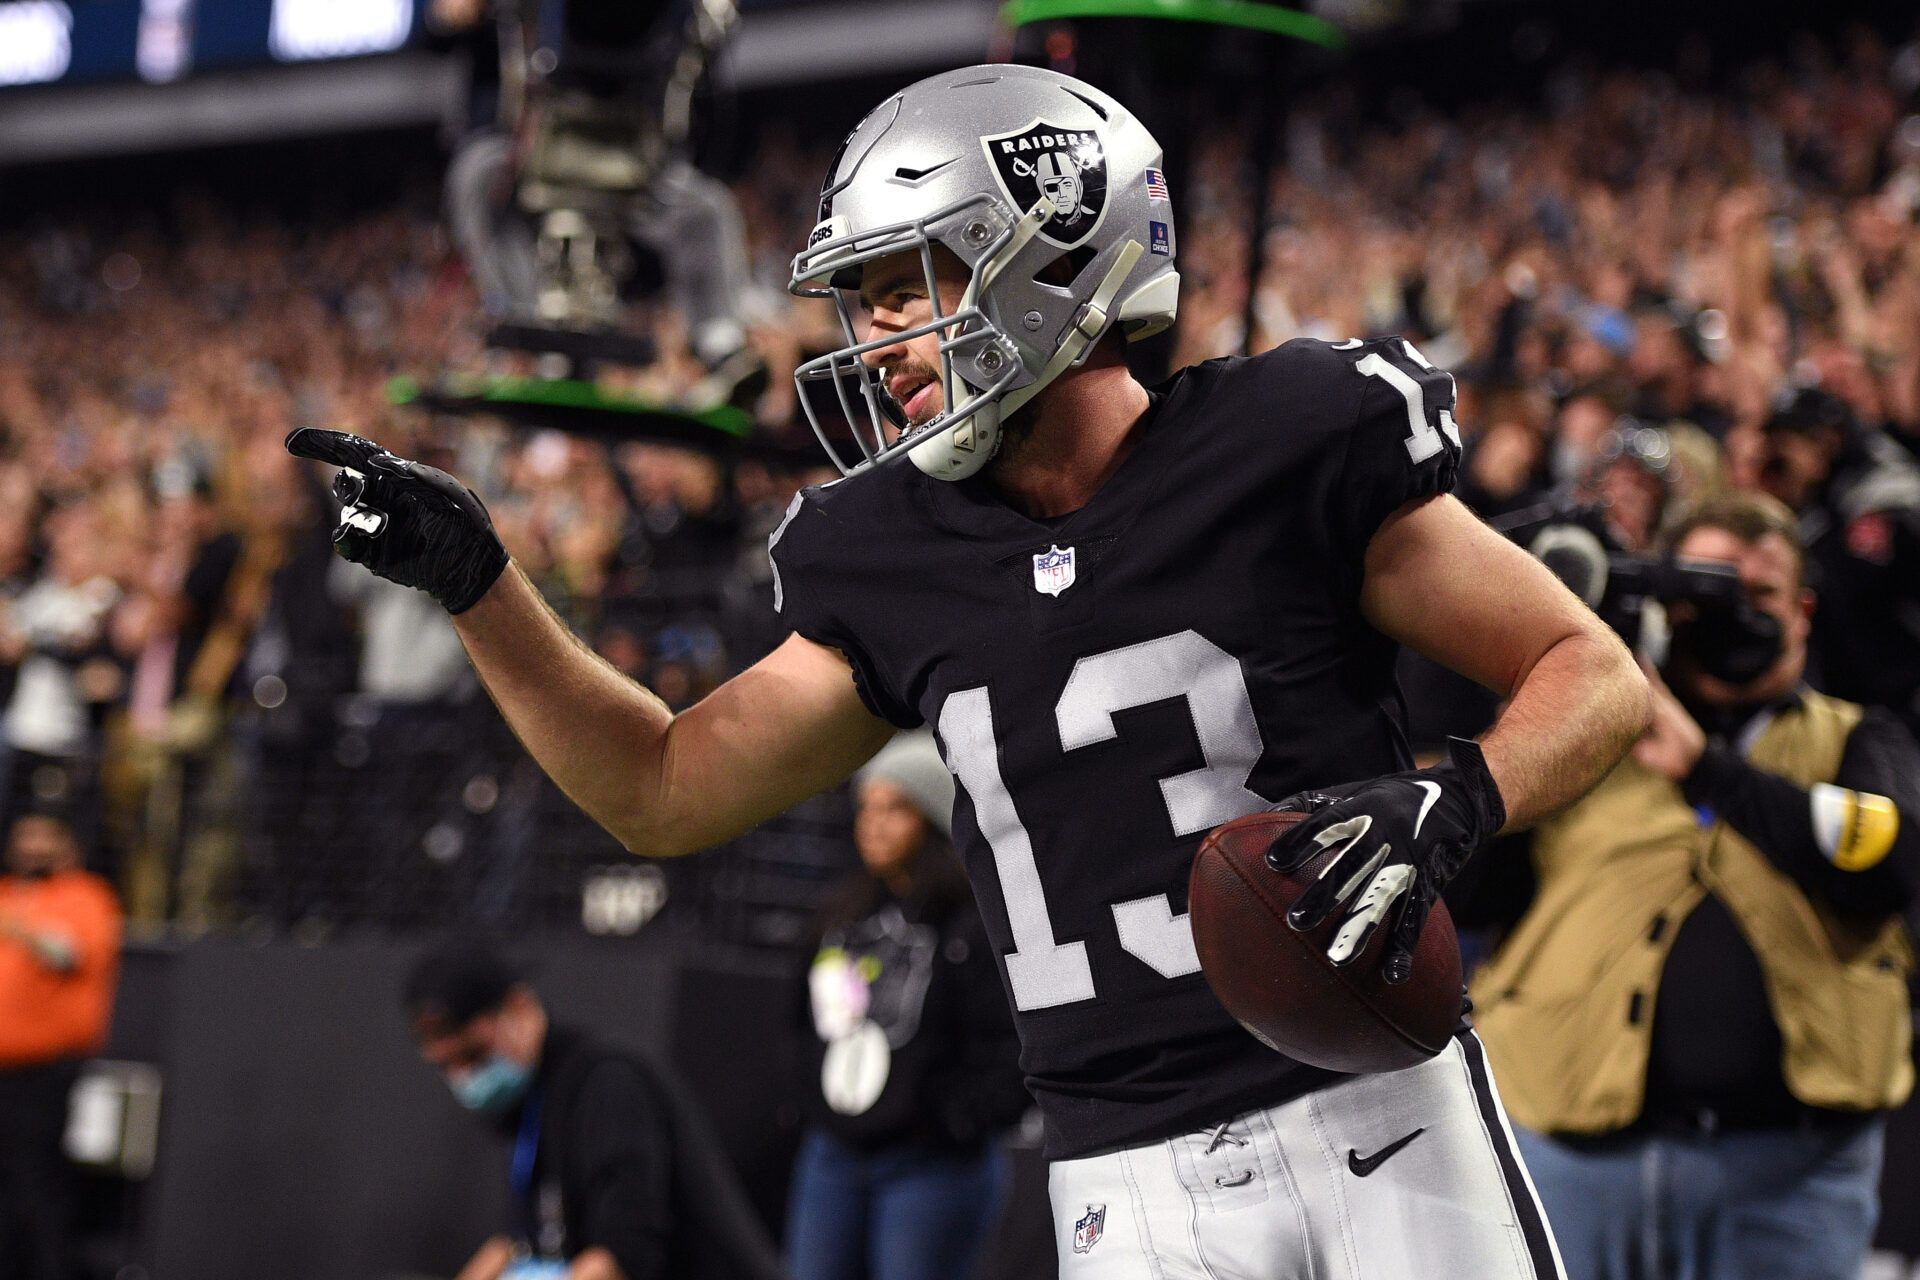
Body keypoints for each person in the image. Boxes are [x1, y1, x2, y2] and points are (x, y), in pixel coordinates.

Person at [295, 63, 1650, 1279]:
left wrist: (1455, 797)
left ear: (1053, 248)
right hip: (1129, 1176)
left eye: (903, 286)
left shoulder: (1284, 438)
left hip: (1379, 1101)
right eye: (861, 300)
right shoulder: (884, 550)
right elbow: (660, 789)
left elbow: (1588, 672)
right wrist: (484, 591)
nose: (872, 346)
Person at [1469, 492, 1920, 1280]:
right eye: (1709, 589)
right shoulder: (1579, 739)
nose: (1732, 613)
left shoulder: (1859, 734)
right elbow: (1472, 895)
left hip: (1792, 1175)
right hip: (1571, 1159)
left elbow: (1886, 868)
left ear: (1804, 610)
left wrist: (1706, 768)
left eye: (1761, 594)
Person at [787, 731, 1028, 1280]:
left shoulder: (974, 922)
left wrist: (953, 1122)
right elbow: (801, 1025)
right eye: (866, 806)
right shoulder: (839, 913)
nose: (873, 823)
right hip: (834, 1156)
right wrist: (813, 1108)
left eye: (894, 808)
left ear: (931, 815)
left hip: (931, 1166)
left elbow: (1010, 1045)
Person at [402, 938, 785, 1280]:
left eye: (474, 1055)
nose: (465, 1078)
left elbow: (622, 1256)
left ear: (518, 1006)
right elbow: (517, 1241)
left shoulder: (608, 1083)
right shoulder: (533, 1102)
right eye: (447, 1066)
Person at [1748, 386, 1920, 738]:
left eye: (1786, 443)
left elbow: (1853, 583)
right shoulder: (1822, 502)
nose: (1775, 458)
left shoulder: (1884, 494)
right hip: (1856, 699)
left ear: (1825, 442)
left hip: (1900, 703)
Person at [0, 809, 124, 1280]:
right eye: (24, 836)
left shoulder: (84, 896)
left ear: (67, 845)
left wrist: (23, 930)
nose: (33, 847)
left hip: (42, 1070)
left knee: (37, 1185)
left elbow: (69, 954)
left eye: (44, 837)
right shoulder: (6, 892)